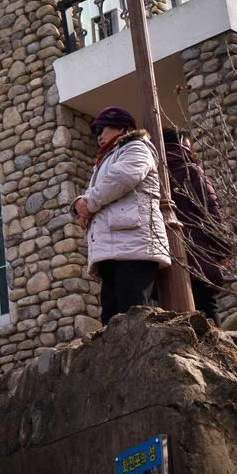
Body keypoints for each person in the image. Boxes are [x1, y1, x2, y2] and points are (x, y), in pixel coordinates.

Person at [73, 106, 171, 325]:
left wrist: (87, 205)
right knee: (112, 314)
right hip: (116, 245)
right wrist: (81, 206)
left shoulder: (137, 148)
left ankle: (142, 359)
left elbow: (120, 179)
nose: (99, 135)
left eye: (102, 128)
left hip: (134, 243)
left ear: (122, 128)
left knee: (134, 312)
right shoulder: (105, 160)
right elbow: (102, 189)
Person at [163, 127, 232, 324]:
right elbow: (211, 209)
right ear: (182, 143)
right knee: (207, 305)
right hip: (198, 247)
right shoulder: (190, 170)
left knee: (174, 313)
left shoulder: (153, 172)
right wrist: (223, 248)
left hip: (165, 251)